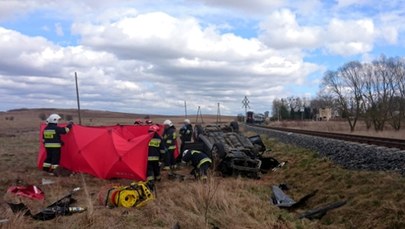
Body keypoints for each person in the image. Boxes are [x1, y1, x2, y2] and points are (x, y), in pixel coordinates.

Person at [146, 125, 165, 189]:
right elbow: (162, 150)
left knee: (149, 170)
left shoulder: (146, 138)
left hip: (148, 158)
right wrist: (162, 159)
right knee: (156, 169)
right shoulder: (159, 139)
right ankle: (158, 179)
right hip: (156, 158)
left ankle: (151, 182)